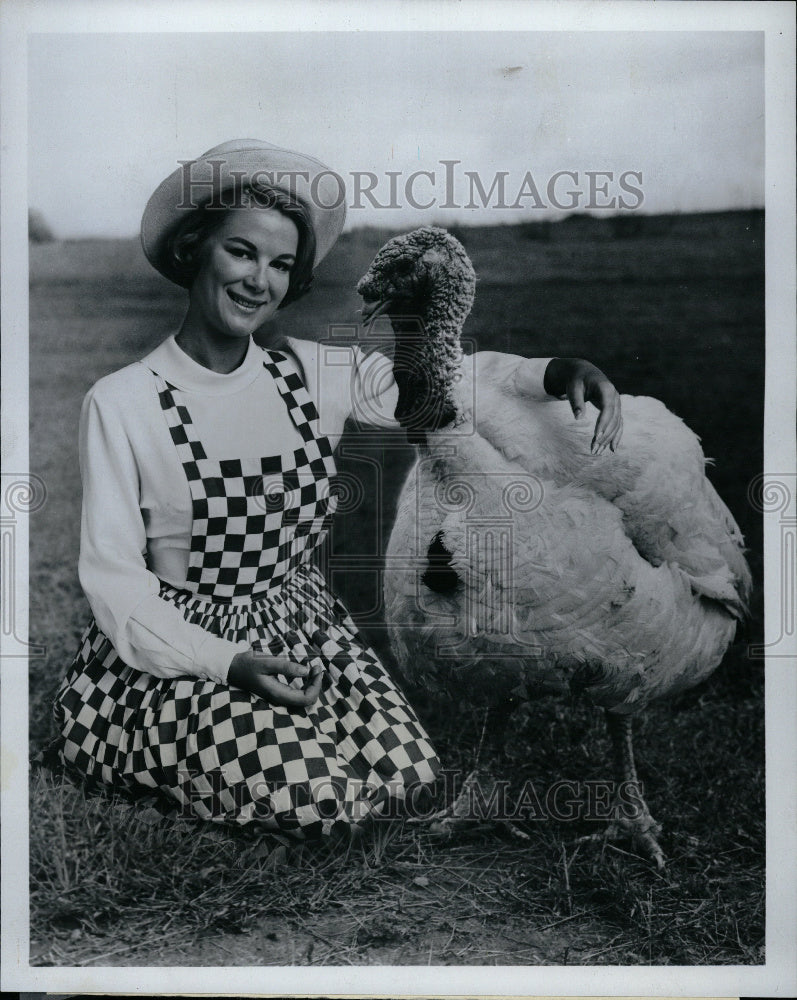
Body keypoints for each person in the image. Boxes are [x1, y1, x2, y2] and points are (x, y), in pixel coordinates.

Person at [52, 139, 622, 838]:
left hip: (300, 629)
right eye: (241, 252)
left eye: (281, 264)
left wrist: (552, 371)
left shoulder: (312, 372)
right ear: (194, 249)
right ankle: (127, 746)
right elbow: (113, 583)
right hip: (186, 650)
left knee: (408, 781)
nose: (258, 280)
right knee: (323, 807)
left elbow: (442, 380)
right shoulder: (124, 401)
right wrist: (229, 663)